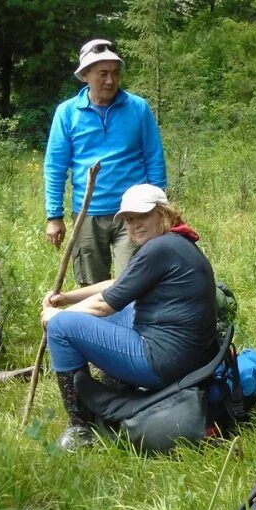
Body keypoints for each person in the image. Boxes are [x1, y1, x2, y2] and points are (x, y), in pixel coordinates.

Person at [41, 184, 217, 450]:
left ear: (163, 213)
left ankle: (81, 428)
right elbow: (119, 283)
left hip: (163, 361)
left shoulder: (159, 248)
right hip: (190, 357)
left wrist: (56, 316)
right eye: (129, 220)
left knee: (62, 328)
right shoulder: (175, 242)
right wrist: (68, 297)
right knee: (126, 309)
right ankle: (117, 387)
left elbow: (103, 305)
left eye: (142, 217)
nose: (134, 226)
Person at [44, 38, 167, 286]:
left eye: (115, 73)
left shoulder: (138, 108)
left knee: (134, 283)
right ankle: (96, 326)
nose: (110, 81)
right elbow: (55, 167)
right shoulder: (67, 112)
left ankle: (132, 326)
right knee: (91, 287)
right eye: (103, 74)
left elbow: (154, 158)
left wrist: (160, 207)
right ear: (85, 74)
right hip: (88, 214)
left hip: (135, 211)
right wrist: (54, 216)